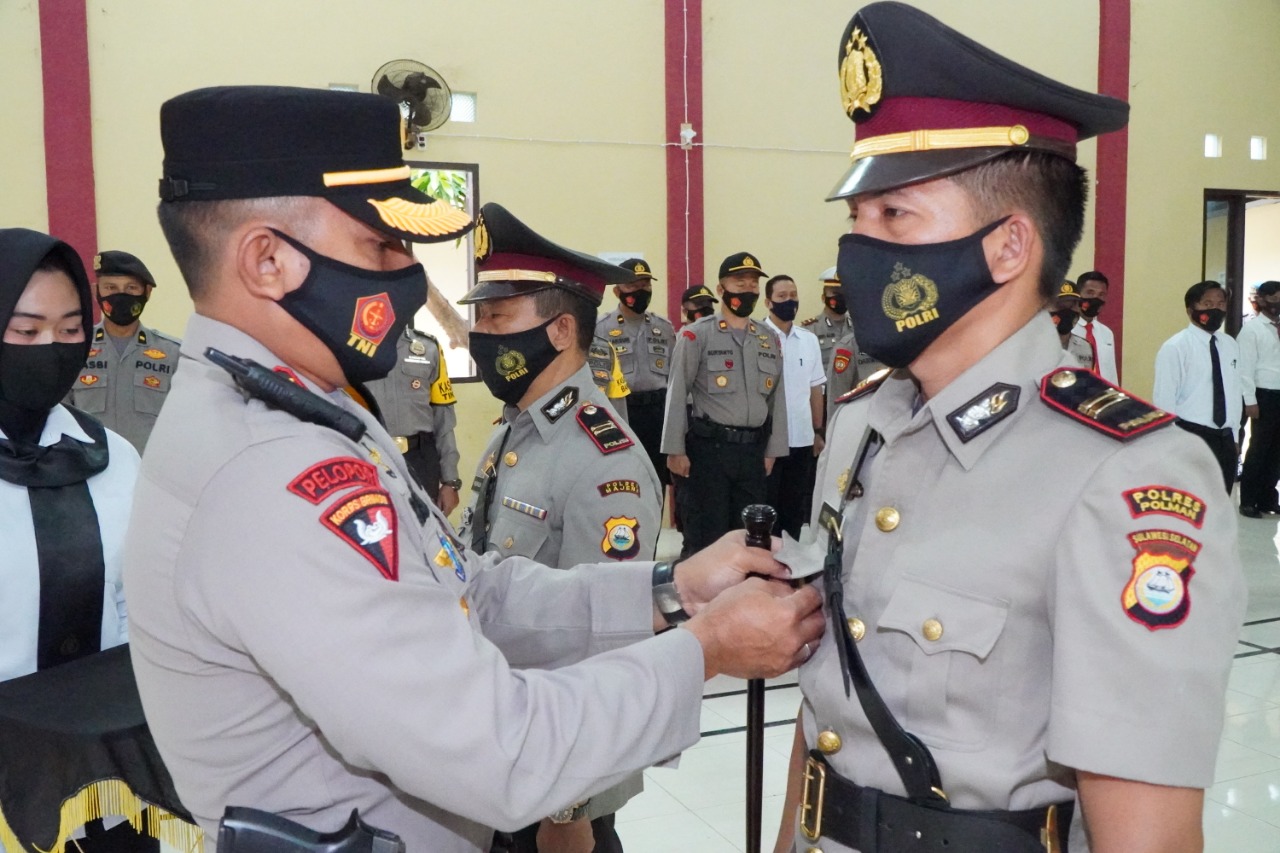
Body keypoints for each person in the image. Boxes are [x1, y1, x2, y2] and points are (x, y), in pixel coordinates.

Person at [124, 85, 824, 853]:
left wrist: (673, 589)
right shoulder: (270, 469)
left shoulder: (306, 407)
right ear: (267, 260)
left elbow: (465, 594)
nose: (406, 276)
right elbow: (500, 748)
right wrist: (706, 648)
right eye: (382, 246)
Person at [775, 5, 1246, 852]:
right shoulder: (861, 425)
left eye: (894, 217)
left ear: (1008, 247)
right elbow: (826, 725)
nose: (858, 248)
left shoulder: (1123, 476)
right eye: (856, 219)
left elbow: (1148, 832)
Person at [458, 204, 660, 853]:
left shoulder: (605, 462)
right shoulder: (516, 432)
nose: (479, 335)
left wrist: (572, 806)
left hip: (553, 780)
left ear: (561, 329)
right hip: (499, 745)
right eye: (479, 317)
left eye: (497, 318)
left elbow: (607, 642)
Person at [0, 228, 147, 850]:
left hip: (106, 770)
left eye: (68, 329)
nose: (51, 349)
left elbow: (137, 604)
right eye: (25, 330)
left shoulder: (112, 455)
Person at [661, 251, 789, 557]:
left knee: (750, 538)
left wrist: (773, 450)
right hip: (709, 452)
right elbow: (677, 392)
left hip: (752, 452)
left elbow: (777, 399)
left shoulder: (767, 338)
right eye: (739, 283)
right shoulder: (696, 335)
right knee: (707, 537)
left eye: (753, 284)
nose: (747, 289)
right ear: (721, 289)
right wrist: (675, 450)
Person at [65, 250, 181, 452]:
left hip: (149, 468)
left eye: (131, 288)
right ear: (96, 291)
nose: (121, 295)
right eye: (110, 287)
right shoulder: (75, 348)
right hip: (91, 467)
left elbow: (184, 421)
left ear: (147, 293)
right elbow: (59, 419)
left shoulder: (172, 354)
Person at [1153, 280, 1243, 494]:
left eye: (1220, 304)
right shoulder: (1176, 347)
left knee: (1220, 499)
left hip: (1225, 439)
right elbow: (1164, 398)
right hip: (1190, 435)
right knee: (1192, 500)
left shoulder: (1229, 344)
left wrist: (1235, 436)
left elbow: (1233, 391)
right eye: (1207, 304)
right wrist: (1167, 443)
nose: (1215, 309)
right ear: (1190, 309)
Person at [361, 324, 462, 511]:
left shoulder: (429, 347)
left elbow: (443, 419)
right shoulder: (348, 347)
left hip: (420, 460)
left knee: (425, 525)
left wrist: (450, 481)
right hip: (367, 456)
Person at [595, 258, 675, 488]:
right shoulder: (601, 328)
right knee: (624, 479)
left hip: (658, 414)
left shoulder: (664, 328)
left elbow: (675, 377)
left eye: (645, 285)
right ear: (617, 291)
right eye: (633, 286)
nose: (641, 291)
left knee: (656, 481)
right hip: (621, 413)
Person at [762, 274, 826, 538]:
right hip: (766, 442)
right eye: (782, 296)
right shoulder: (757, 336)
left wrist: (818, 431)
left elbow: (816, 389)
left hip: (801, 439)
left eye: (793, 295)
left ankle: (791, 560)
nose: (789, 301)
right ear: (768, 302)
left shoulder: (808, 340)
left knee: (794, 512)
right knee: (767, 512)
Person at [1237, 280, 1280, 517]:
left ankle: (1268, 499)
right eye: (1274, 298)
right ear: (1262, 300)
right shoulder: (1252, 330)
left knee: (1277, 451)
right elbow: (1245, 368)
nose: (1277, 303)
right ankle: (1249, 501)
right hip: (1263, 395)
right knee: (1259, 449)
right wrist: (1250, 400)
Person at [1071, 269, 1119, 382]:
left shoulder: (1106, 333)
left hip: (1102, 391)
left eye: (1101, 295)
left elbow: (1111, 372)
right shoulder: (1065, 330)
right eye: (1090, 293)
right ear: (1078, 294)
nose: (1096, 298)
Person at [1050, 280, 1096, 369]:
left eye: (1072, 305)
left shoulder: (1085, 347)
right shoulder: (1032, 346)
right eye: (1061, 306)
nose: (1067, 312)